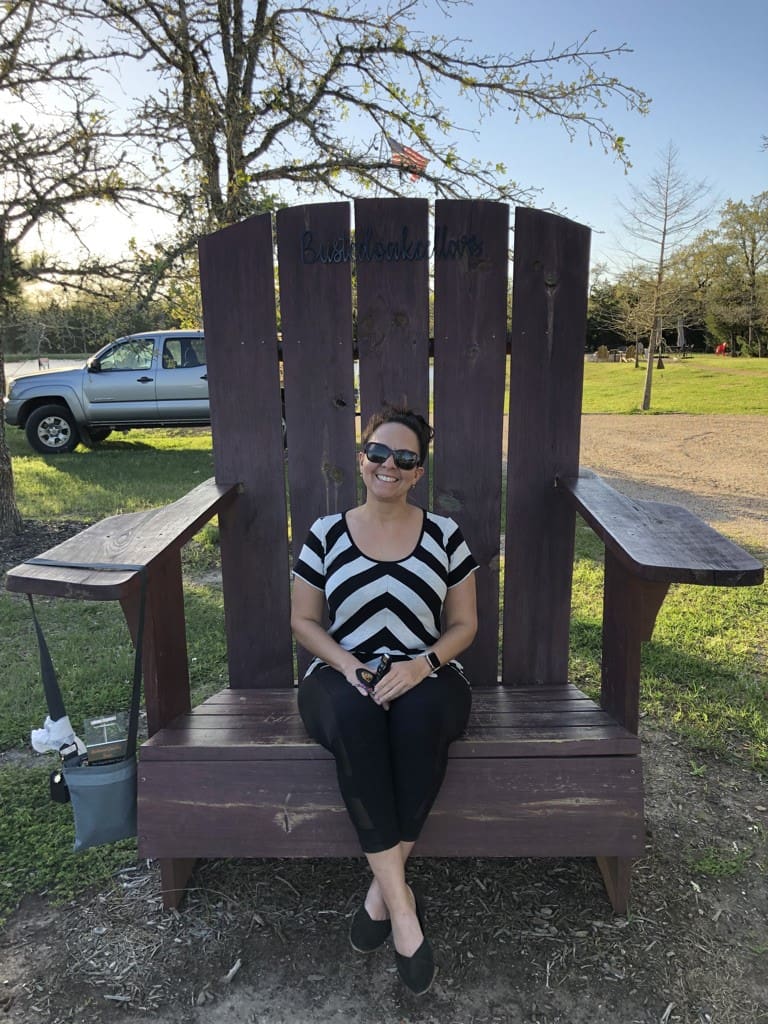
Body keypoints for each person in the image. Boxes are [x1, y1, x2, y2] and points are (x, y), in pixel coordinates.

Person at [291, 405, 478, 995]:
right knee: (356, 718)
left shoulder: (445, 535)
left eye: (404, 458)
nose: (387, 466)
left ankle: (379, 894)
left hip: (429, 672)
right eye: (377, 452)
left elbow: (464, 625)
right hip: (339, 675)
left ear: (418, 471)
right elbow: (304, 621)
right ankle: (402, 910)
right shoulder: (326, 534)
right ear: (361, 456)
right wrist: (349, 666)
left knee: (420, 718)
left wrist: (421, 667)